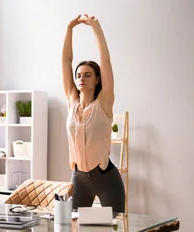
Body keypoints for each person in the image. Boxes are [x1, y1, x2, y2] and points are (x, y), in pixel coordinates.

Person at [62, 14, 125, 213]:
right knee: (72, 225)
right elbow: (66, 61)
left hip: (106, 178)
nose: (82, 78)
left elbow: (105, 60)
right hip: (78, 177)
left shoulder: (104, 102)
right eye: (79, 75)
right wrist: (69, 29)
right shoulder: (72, 101)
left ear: (98, 79)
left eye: (88, 75)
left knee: (114, 227)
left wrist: (95, 27)